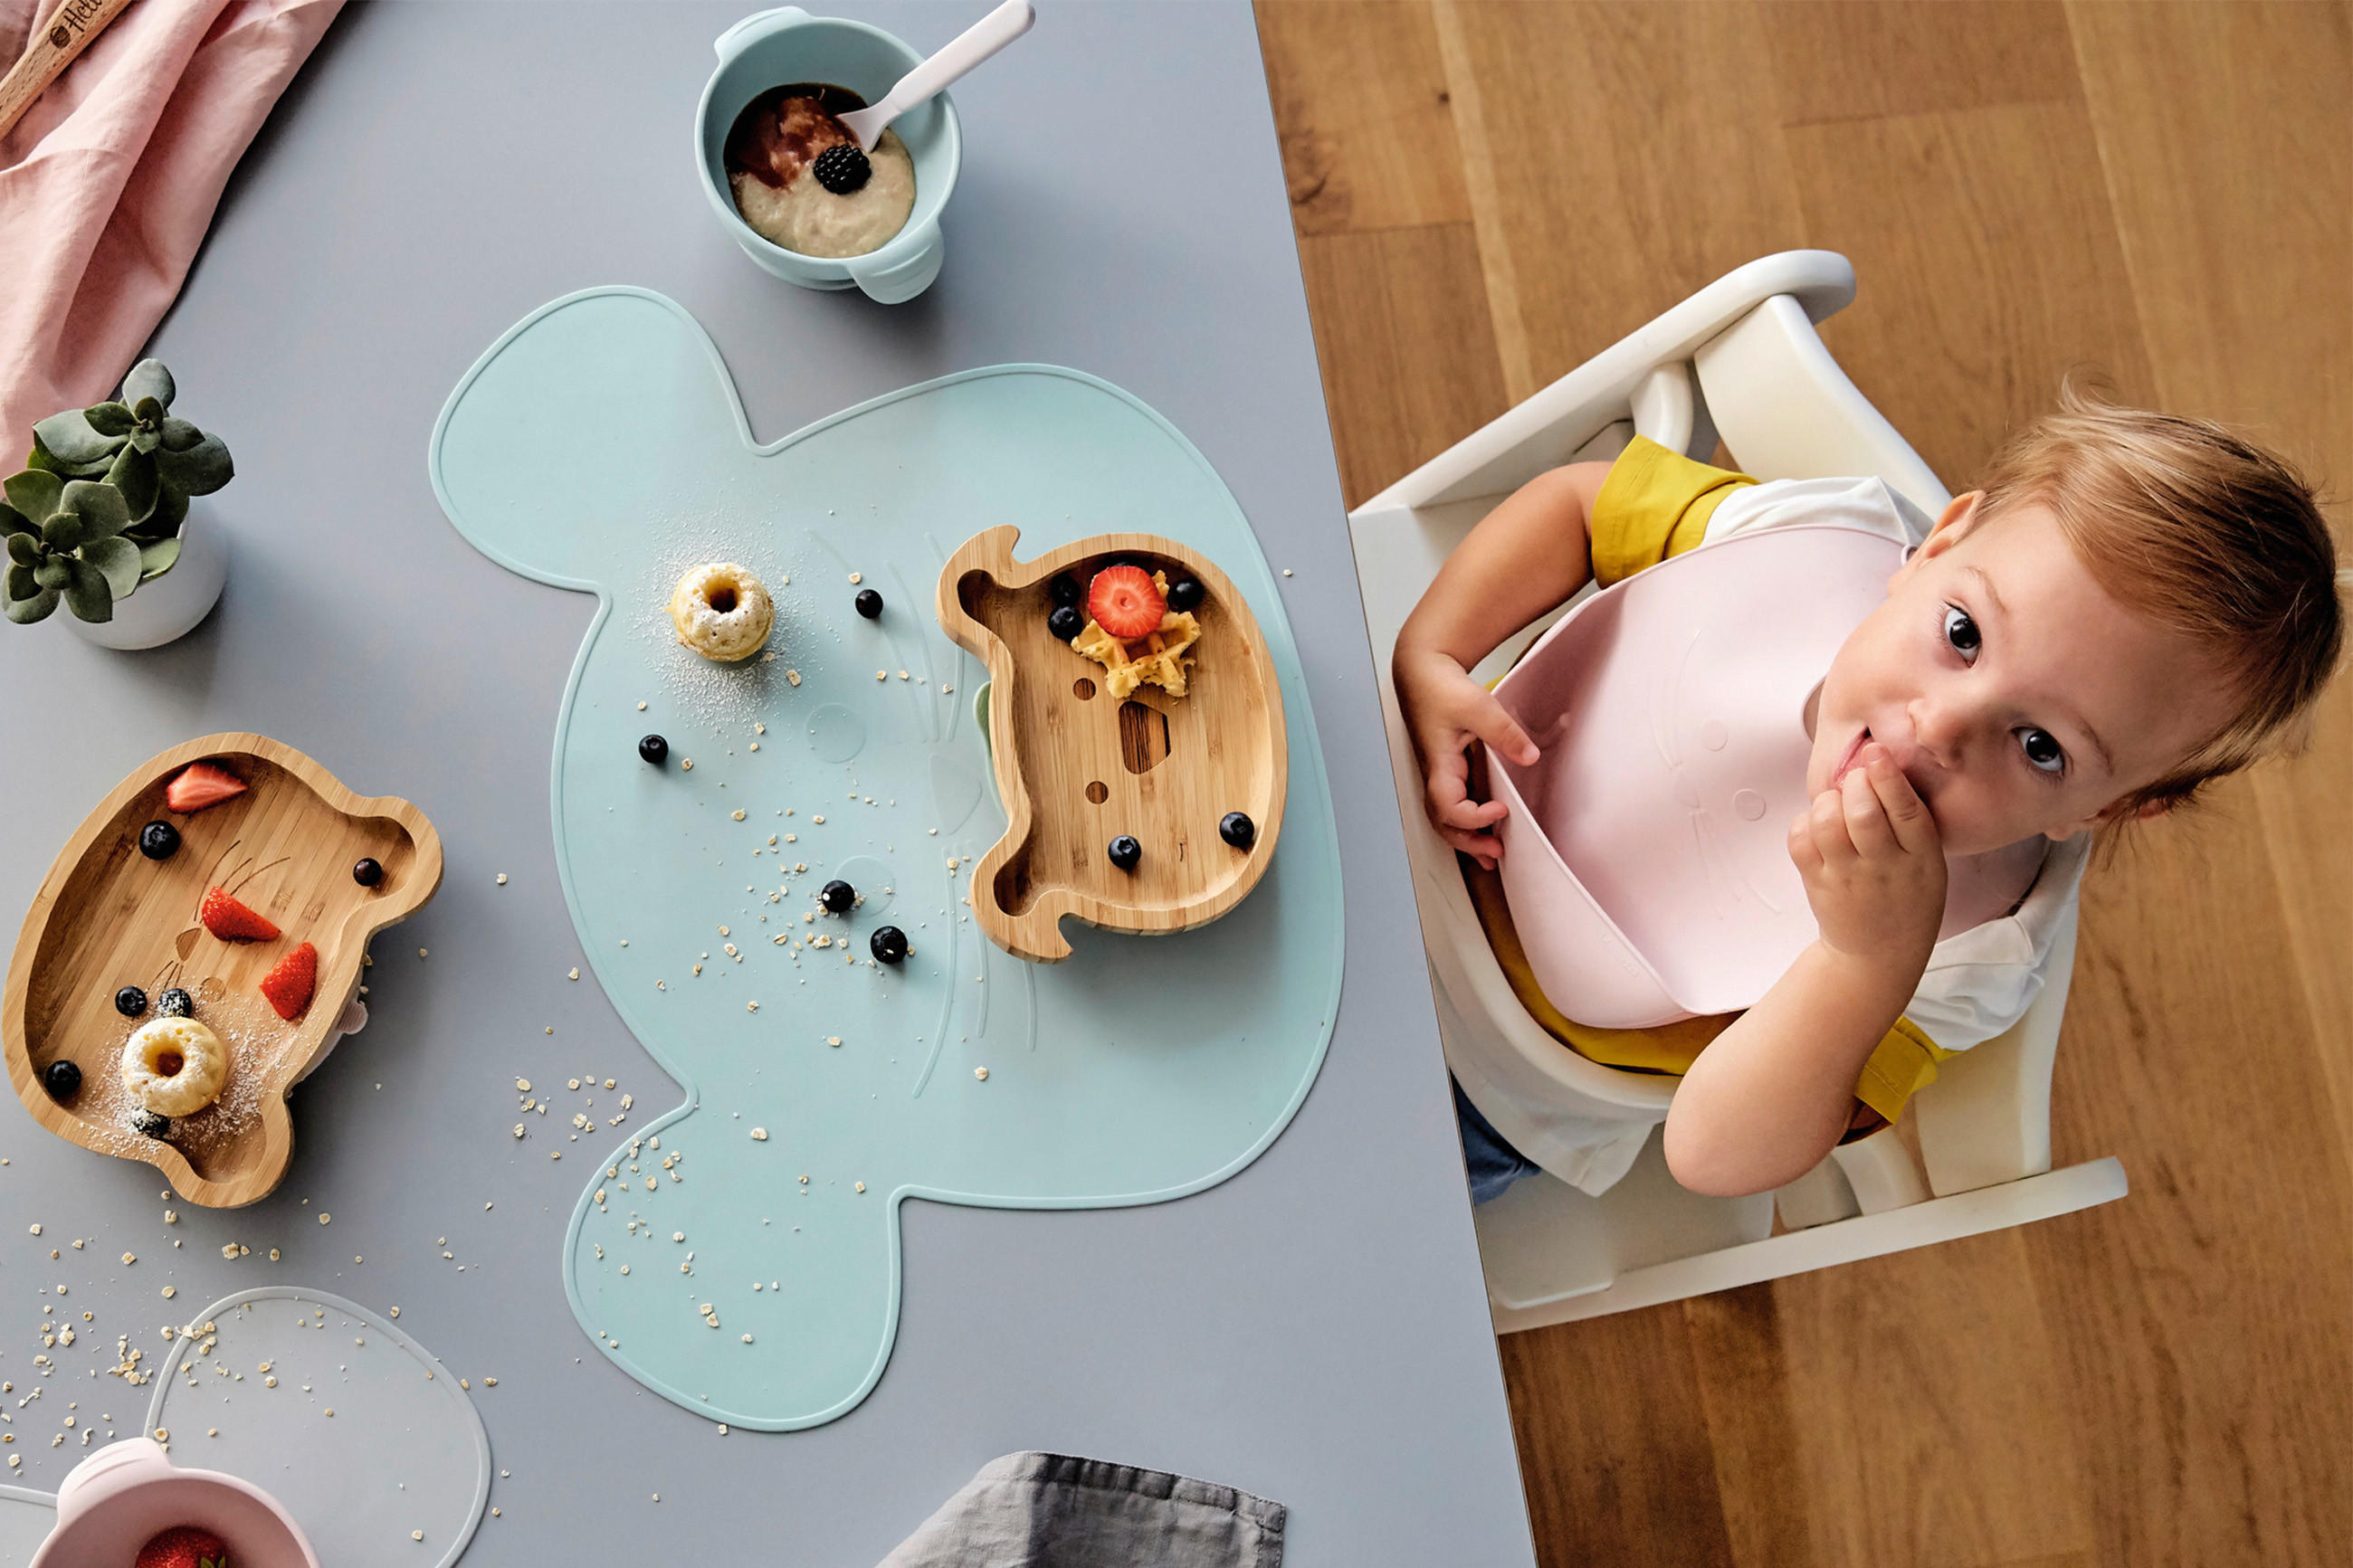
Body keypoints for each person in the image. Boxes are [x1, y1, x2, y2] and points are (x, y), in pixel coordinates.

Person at [1395, 390, 2343, 1201]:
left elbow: (1714, 1153)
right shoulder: (1806, 538)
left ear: (2098, 809)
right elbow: (1578, 503)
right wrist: (1435, 651)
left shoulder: (1970, 957)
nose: (1936, 728)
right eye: (1964, 633)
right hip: (1394, 792)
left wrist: (1862, 961)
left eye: (2037, 745)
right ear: (1936, 545)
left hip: (1488, 1083)